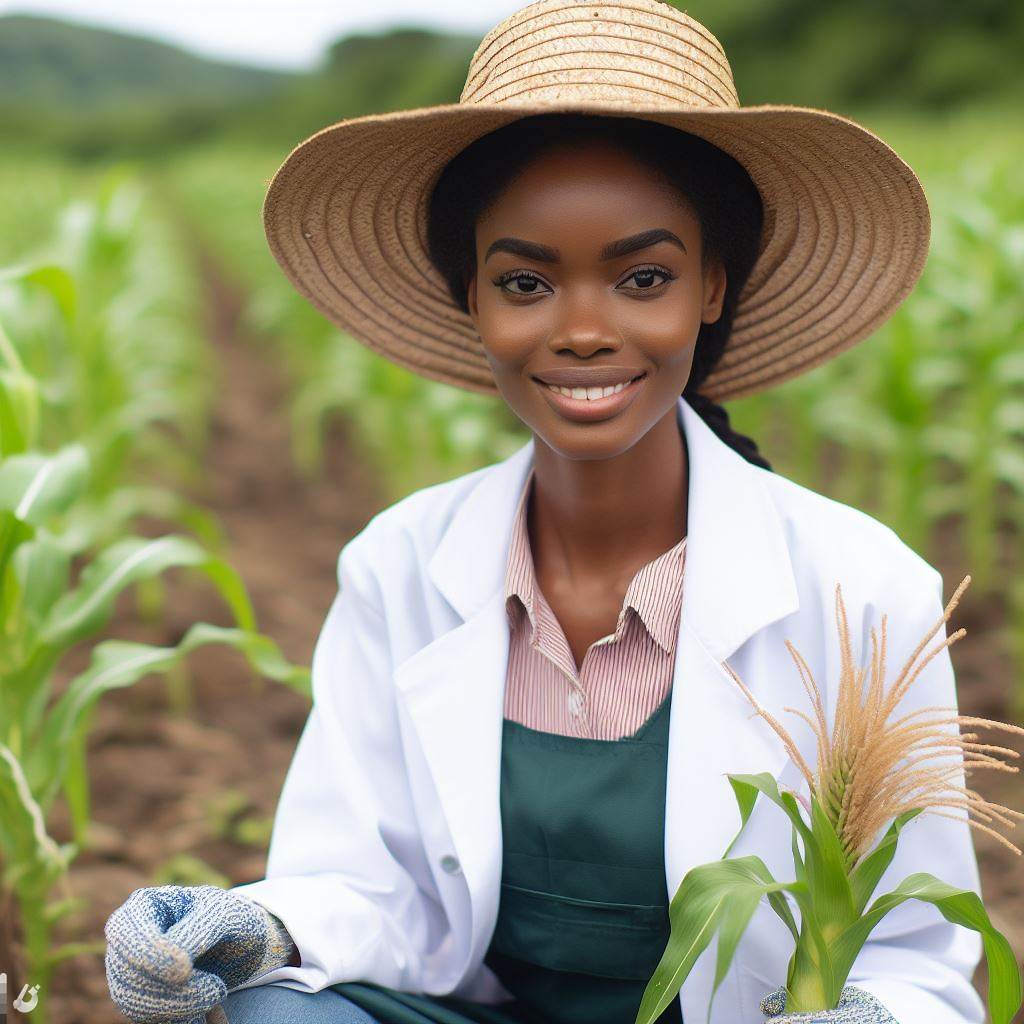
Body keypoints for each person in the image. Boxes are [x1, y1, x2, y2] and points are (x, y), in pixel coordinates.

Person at [104, 1, 987, 1023]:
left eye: (641, 277)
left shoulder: (856, 585)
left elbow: (916, 956)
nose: (578, 330)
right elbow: (368, 884)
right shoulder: (401, 562)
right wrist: (254, 928)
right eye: (524, 280)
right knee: (275, 1009)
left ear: (711, 285)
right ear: (469, 298)